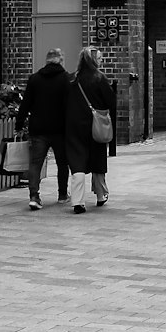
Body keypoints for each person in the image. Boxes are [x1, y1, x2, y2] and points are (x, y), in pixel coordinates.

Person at [16, 47, 71, 210]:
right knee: (62, 163)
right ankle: (62, 194)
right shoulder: (65, 79)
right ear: (61, 60)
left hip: (38, 128)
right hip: (60, 129)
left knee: (35, 163)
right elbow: (69, 106)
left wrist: (19, 124)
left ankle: (34, 196)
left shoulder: (35, 79)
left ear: (46, 61)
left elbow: (25, 105)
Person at [64, 46, 116, 213]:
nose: (101, 62)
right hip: (95, 125)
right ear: (93, 61)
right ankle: (101, 195)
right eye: (100, 59)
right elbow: (110, 102)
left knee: (77, 162)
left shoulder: (72, 79)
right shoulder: (100, 78)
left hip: (73, 126)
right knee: (98, 159)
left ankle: (77, 202)